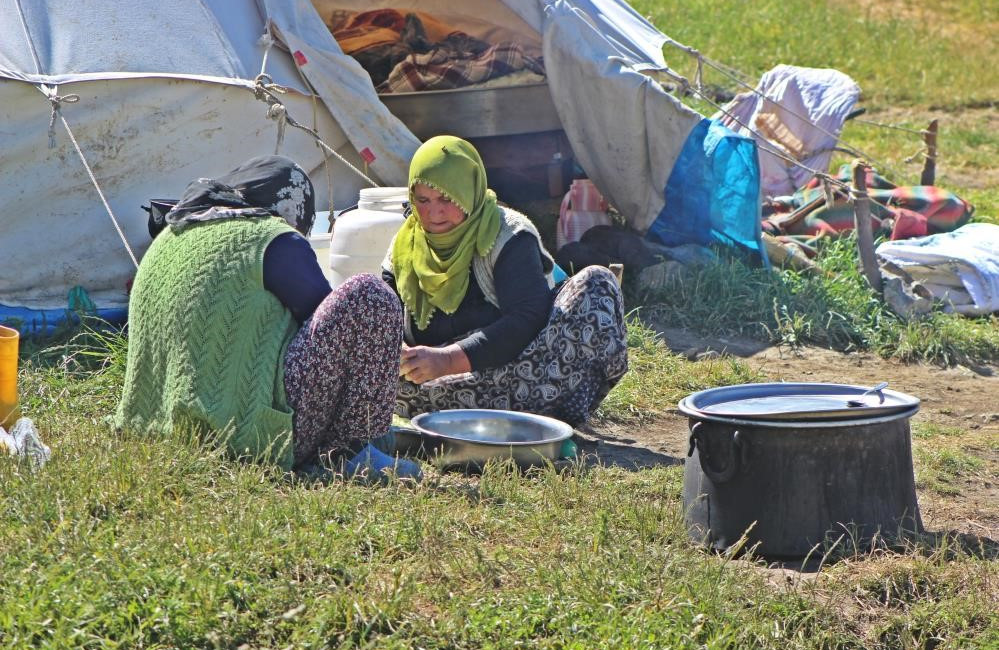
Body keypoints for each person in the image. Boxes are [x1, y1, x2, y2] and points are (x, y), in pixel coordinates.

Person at [116, 155, 420, 480]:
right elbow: (330, 328)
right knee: (369, 295)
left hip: (158, 429)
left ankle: (367, 441)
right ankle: (350, 451)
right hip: (248, 437)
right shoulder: (272, 238)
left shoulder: (172, 235)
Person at [383, 136, 628, 426]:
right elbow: (382, 310)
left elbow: (527, 319)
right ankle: (515, 416)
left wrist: (447, 360)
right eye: (423, 201)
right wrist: (396, 350)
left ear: (469, 193)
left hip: (529, 367)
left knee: (596, 283)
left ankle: (540, 412)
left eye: (447, 199)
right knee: (384, 376)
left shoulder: (507, 235)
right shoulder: (404, 248)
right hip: (444, 385)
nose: (434, 213)